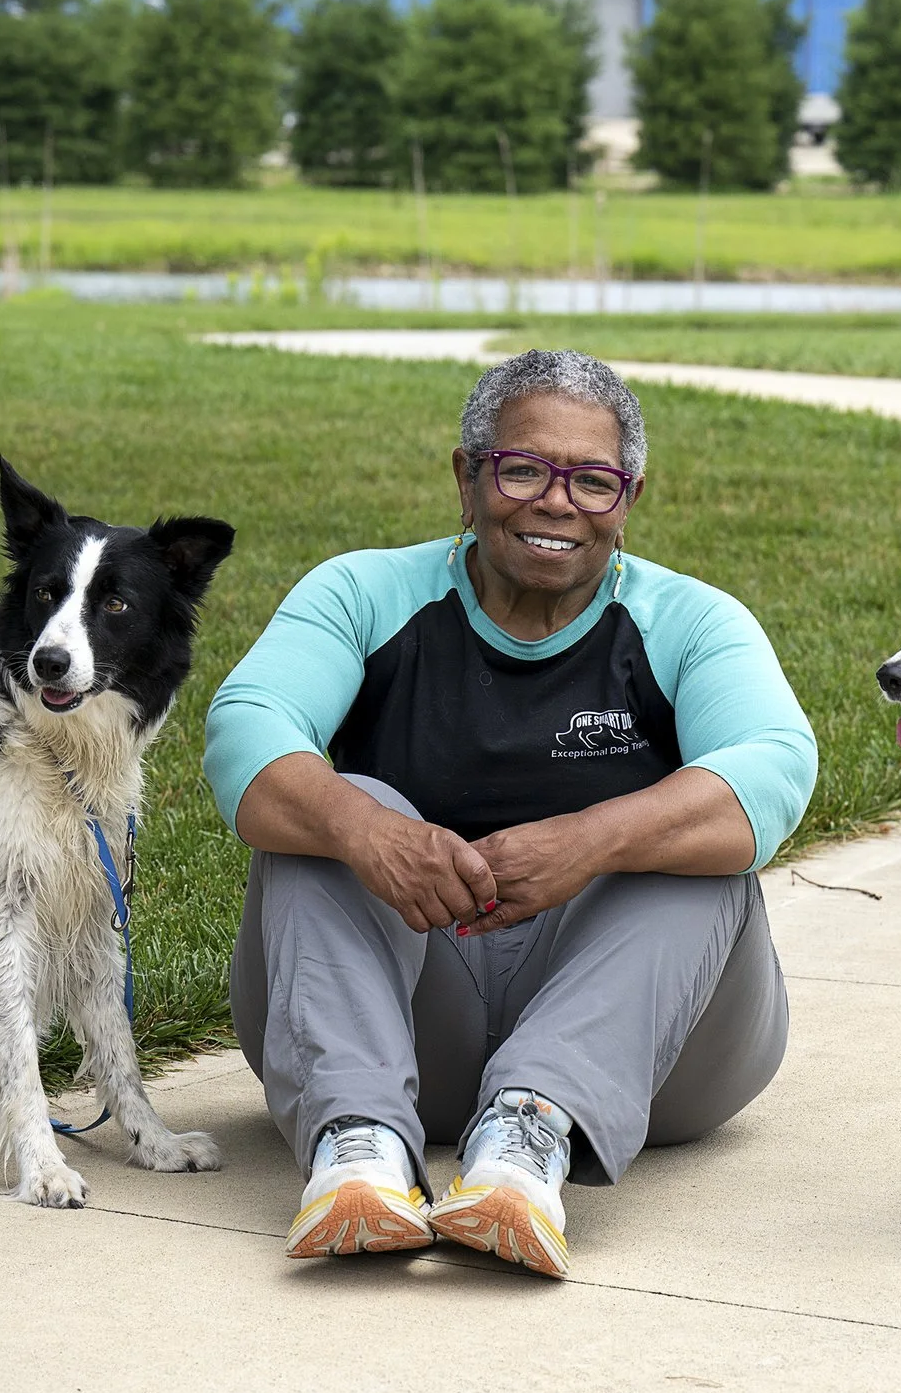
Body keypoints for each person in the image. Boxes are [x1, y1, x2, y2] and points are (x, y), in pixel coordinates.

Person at [203, 350, 817, 1277]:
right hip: (416, 1014)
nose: (556, 502)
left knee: (697, 844)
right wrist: (368, 832)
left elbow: (774, 768)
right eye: (523, 469)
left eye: (593, 481)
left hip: (661, 1060)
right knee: (331, 807)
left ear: (630, 496)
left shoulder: (694, 621)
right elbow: (246, 732)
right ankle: (356, 1151)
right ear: (467, 476)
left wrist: (591, 839)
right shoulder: (362, 592)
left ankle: (528, 1147)